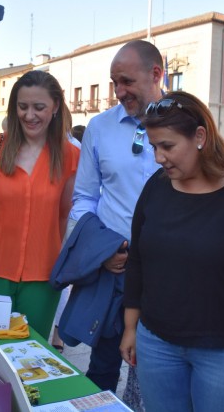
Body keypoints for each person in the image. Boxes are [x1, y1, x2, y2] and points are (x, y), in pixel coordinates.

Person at [119, 92, 224, 411]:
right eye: (154, 147)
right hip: (156, 345)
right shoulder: (155, 188)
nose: (159, 157)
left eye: (167, 146)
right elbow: (138, 262)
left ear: (200, 136)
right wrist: (131, 327)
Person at [64, 40, 164, 395]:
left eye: (126, 81)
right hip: (117, 267)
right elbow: (84, 199)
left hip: (168, 270)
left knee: (158, 370)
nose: (118, 91)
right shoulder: (100, 128)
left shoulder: (186, 123)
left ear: (156, 74)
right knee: (103, 366)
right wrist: (103, 248)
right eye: (114, 82)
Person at [0, 70, 79, 339]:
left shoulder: (70, 156)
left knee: (31, 356)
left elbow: (63, 217)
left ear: (54, 108)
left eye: (39, 107)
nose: (29, 115)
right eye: (22, 106)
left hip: (43, 277)